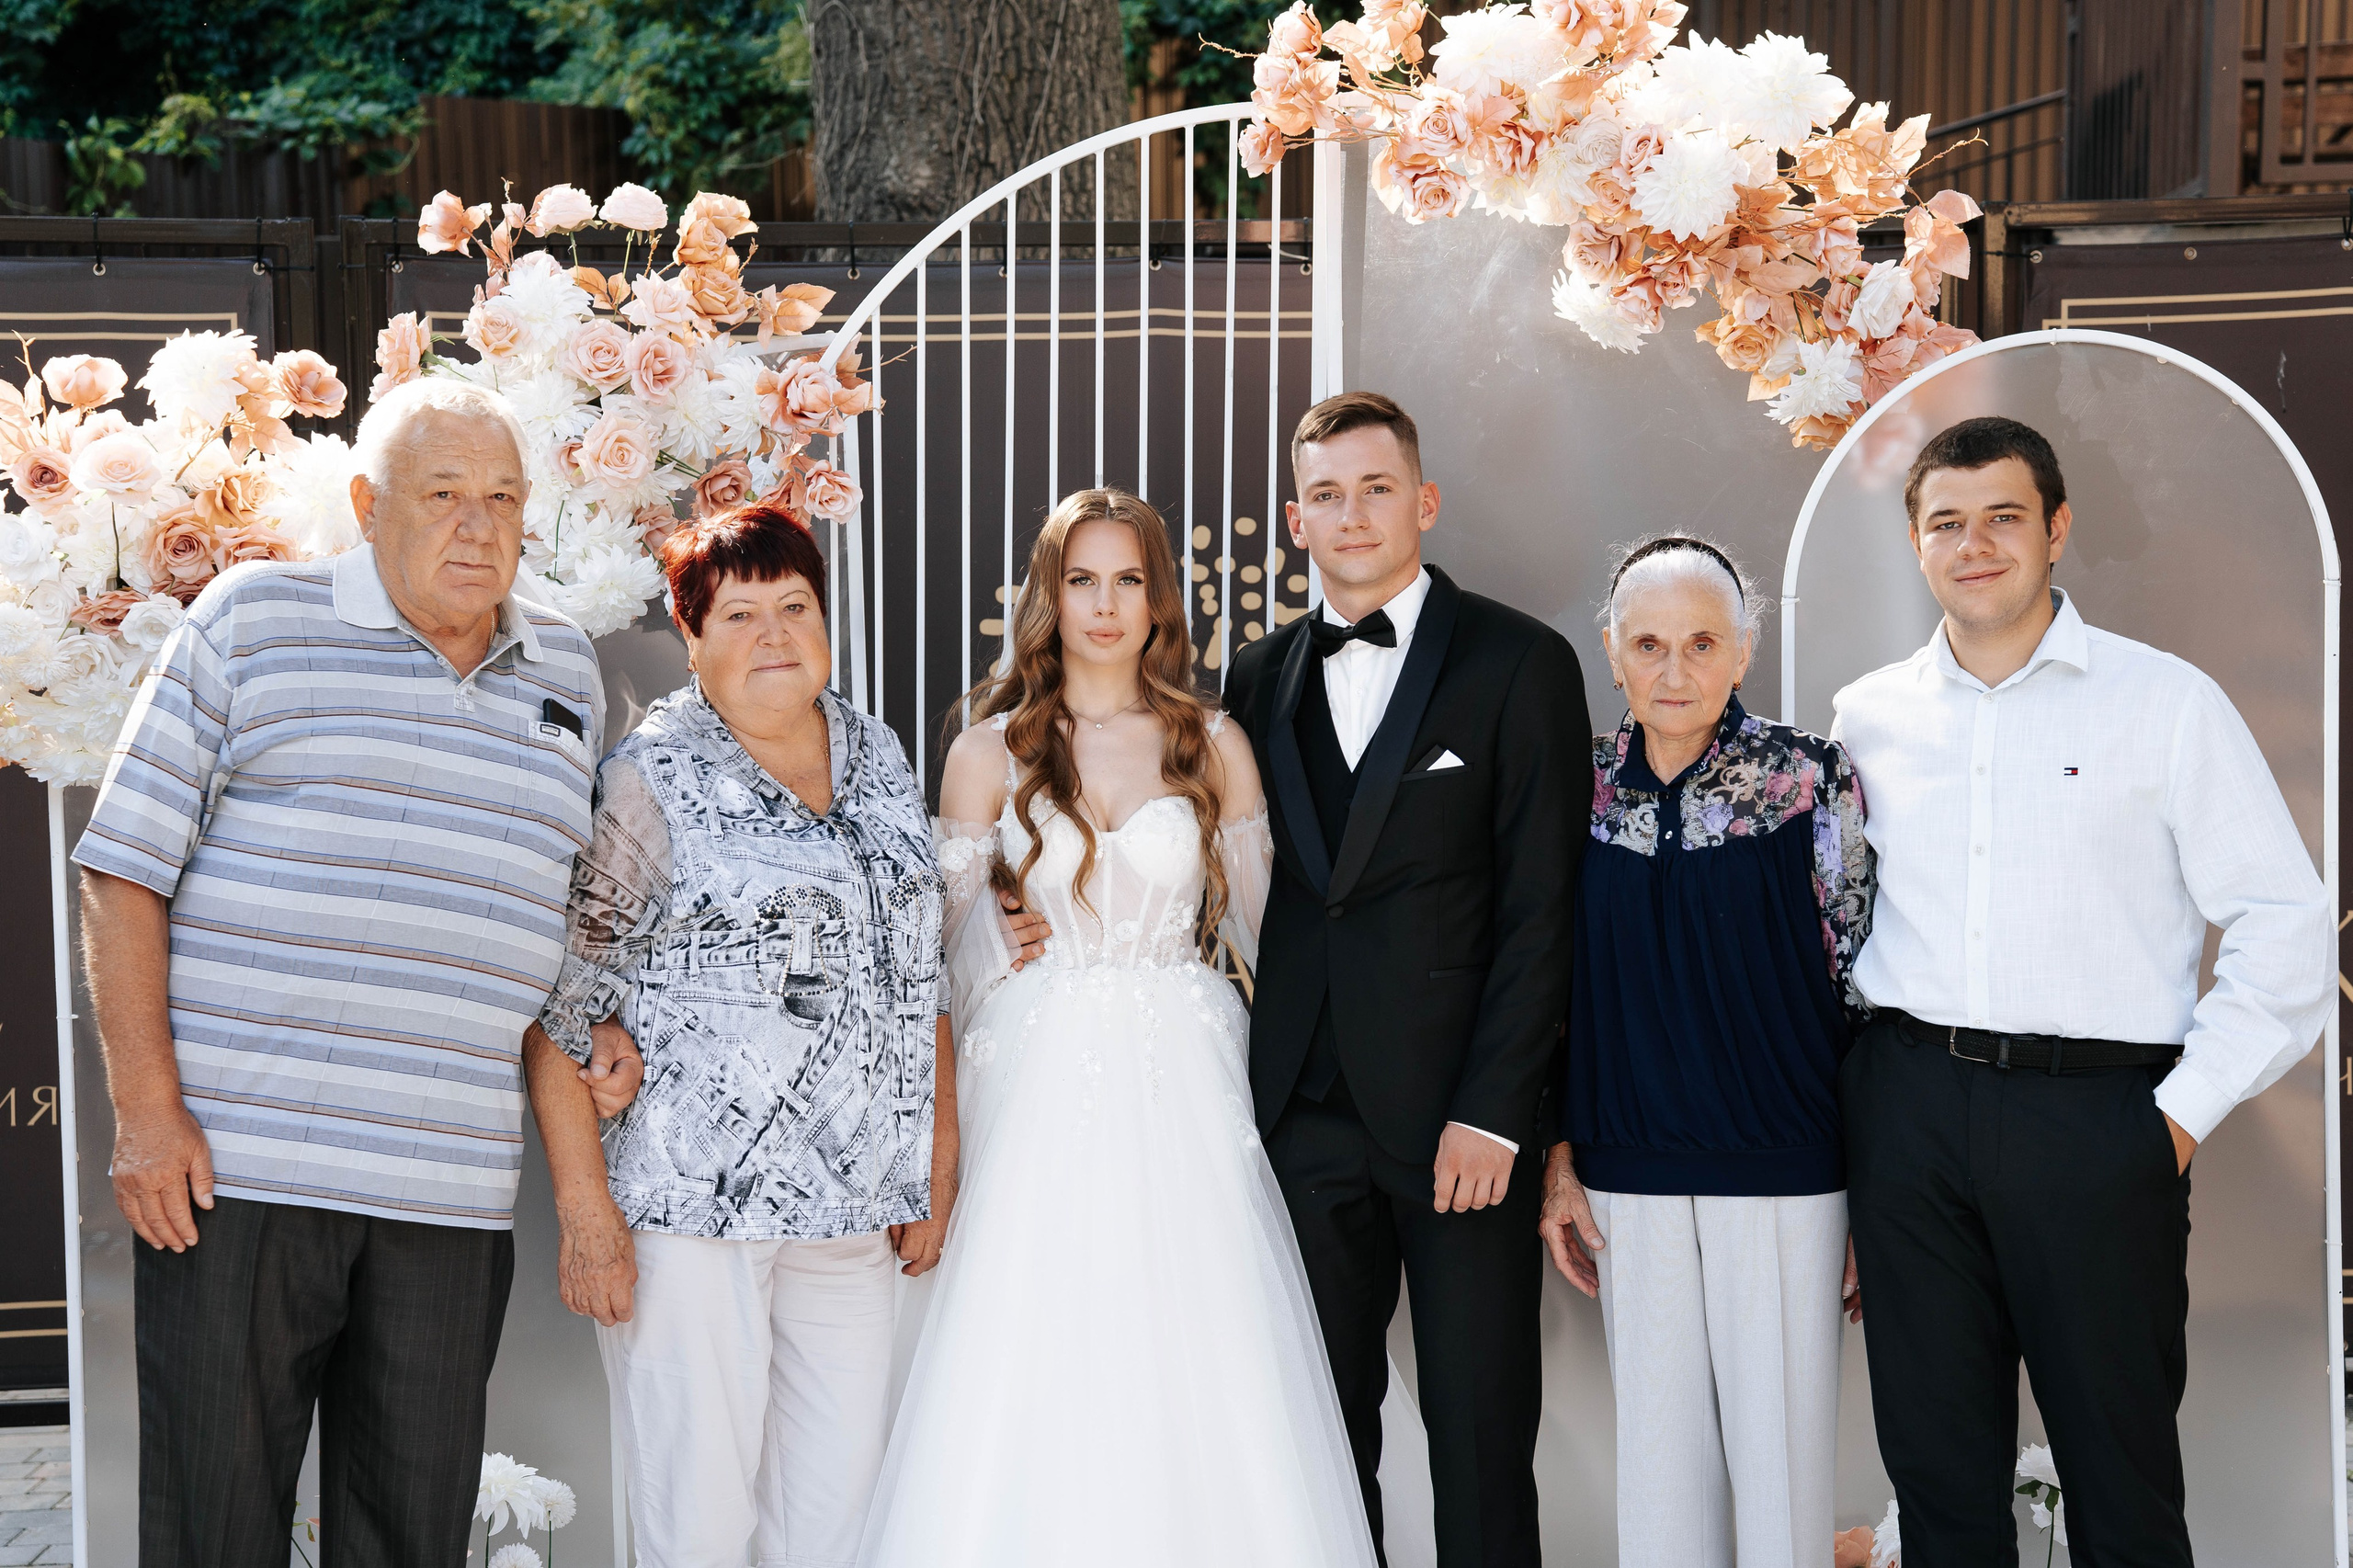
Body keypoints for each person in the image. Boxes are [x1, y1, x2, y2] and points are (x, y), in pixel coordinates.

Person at [72, 378, 602, 1567]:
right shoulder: (252, 619)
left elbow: (562, 915)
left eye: (503, 498)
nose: (479, 526)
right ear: (368, 505)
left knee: (410, 1536)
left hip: (450, 1197)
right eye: (445, 495)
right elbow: (121, 869)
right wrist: (148, 1117)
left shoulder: (566, 668)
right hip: (241, 1172)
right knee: (217, 1524)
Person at [1832, 416, 2332, 1566]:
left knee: (2122, 1484)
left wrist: (2175, 1117)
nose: (1975, 544)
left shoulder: (2165, 703)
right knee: (1939, 1477)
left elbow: (2283, 924)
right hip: (1908, 1119)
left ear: (2056, 529)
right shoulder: (1867, 716)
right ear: (1916, 543)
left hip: (2099, 1124)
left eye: (2003, 516)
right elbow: (1832, 931)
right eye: (1946, 522)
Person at [857, 487, 1376, 1568]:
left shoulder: (1213, 740)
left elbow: (1275, 940)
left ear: (1157, 599)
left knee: (1198, 1327)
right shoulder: (985, 748)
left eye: (1127, 579)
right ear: (1049, 594)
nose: (1104, 603)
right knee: (1030, 1326)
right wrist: (997, 935)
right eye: (1081, 579)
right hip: (1033, 1069)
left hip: (1184, 1067)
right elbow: (929, 952)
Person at [525, 502, 954, 1568]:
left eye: (794, 606)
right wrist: (586, 1215)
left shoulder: (881, 751)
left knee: (838, 1519)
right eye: (741, 612)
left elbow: (921, 967)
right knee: (700, 1522)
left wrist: (936, 1160)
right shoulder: (647, 776)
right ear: (691, 637)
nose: (773, 633)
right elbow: (563, 1005)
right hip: (689, 1217)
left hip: (854, 1211)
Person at [1222, 392, 1590, 1567]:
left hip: (1461, 1131)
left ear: (1422, 501)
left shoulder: (1520, 660)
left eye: (1376, 488)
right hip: (1302, 1115)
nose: (1353, 513)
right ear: (1294, 519)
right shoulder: (1254, 677)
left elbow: (1546, 909)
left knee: (1480, 1436)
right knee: (1321, 1443)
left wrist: (1495, 1110)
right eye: (1325, 494)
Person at [1535, 536, 1874, 1568]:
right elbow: (1541, 984)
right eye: (1647, 643)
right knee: (1658, 1483)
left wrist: (1873, 1185)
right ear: (1610, 650)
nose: (1672, 670)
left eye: (1700, 643)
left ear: (1743, 650)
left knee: (1783, 1483)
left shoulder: (1810, 778)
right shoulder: (1574, 785)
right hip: (1625, 1175)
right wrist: (1557, 1156)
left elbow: (1865, 984)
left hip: (1787, 1174)